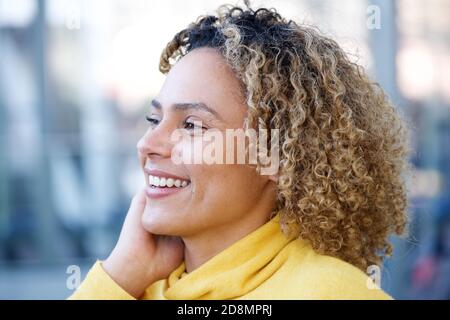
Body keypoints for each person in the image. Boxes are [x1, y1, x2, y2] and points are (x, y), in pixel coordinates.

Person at [69, 3, 409, 300]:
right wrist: (119, 275)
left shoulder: (334, 294)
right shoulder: (128, 288)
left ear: (276, 153)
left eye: (191, 126)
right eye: (153, 119)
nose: (148, 144)